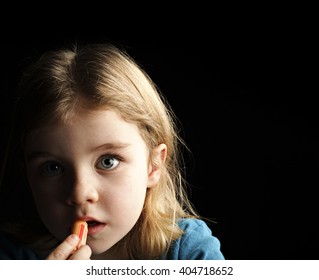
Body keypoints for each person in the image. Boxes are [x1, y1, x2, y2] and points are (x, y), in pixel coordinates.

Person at [0, 42, 224, 260]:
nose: (80, 194)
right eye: (53, 168)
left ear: (153, 166)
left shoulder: (188, 252)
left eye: (108, 161)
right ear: (28, 176)